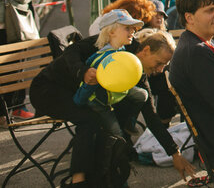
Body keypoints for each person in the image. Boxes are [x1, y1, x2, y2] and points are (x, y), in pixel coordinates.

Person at [30, 27, 198, 185]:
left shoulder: (139, 74)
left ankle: (108, 172)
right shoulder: (116, 40)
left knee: (136, 99)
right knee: (90, 120)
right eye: (159, 63)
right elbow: (72, 51)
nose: (160, 70)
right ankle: (78, 182)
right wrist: (83, 71)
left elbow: (151, 116)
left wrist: (175, 153)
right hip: (48, 89)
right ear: (146, 50)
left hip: (77, 95)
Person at [72, 11, 149, 139]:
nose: (133, 32)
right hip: (99, 102)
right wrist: (79, 101)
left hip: (114, 90)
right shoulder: (104, 59)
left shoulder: (121, 51)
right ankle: (117, 147)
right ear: (112, 32)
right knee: (117, 133)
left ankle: (129, 123)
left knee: (142, 95)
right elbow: (90, 83)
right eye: (127, 28)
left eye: (133, 29)